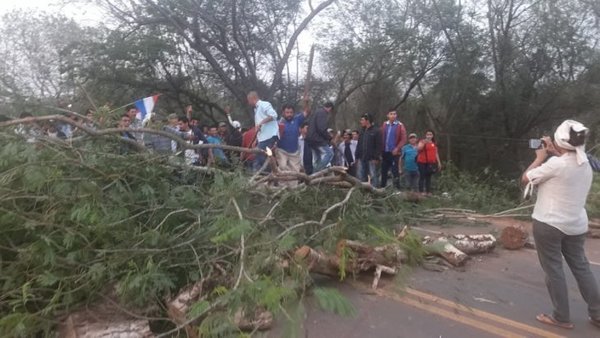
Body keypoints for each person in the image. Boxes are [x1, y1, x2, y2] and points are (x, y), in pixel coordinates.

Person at [521, 120, 600, 330]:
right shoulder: (587, 163)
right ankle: (598, 313)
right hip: (576, 224)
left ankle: (561, 316)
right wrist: (556, 152)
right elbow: (568, 162)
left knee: (554, 270)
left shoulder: (554, 164)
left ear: (558, 140)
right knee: (582, 268)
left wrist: (539, 158)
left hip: (549, 224)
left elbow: (525, 178)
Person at [247, 91, 279, 172]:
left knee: (260, 158)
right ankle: (269, 175)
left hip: (269, 136)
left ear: (252, 98)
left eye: (248, 100)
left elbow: (273, 115)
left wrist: (261, 123)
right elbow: (260, 129)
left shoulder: (264, 104)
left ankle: (266, 176)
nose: (248, 102)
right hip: (263, 138)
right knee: (263, 157)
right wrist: (256, 140)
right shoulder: (257, 110)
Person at [277, 103, 307, 186]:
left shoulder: (297, 119)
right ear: (283, 113)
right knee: (282, 167)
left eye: (291, 112)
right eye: (287, 112)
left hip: (294, 152)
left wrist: (306, 102)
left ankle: (293, 191)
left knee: (295, 171)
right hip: (281, 150)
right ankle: (282, 188)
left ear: (293, 113)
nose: (289, 114)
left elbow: (306, 112)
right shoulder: (278, 122)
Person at [380, 110, 407, 189]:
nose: (393, 115)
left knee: (395, 171)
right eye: (391, 114)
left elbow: (403, 139)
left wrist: (397, 148)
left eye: (394, 114)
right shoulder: (385, 124)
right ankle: (382, 188)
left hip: (394, 152)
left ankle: (397, 189)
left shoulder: (400, 125)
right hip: (385, 152)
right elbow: (381, 136)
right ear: (388, 115)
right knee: (383, 171)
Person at [355, 113, 383, 187]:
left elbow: (379, 146)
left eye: (362, 120)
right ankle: (361, 192)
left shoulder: (376, 131)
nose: (361, 122)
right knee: (360, 176)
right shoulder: (362, 131)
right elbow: (359, 144)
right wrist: (357, 156)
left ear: (367, 121)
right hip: (361, 158)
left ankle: (374, 192)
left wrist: (376, 157)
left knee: (373, 175)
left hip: (371, 159)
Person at [306, 102, 334, 172]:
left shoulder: (316, 112)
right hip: (317, 139)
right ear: (330, 108)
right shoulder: (322, 113)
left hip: (311, 139)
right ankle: (316, 172)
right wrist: (329, 137)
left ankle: (316, 176)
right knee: (329, 154)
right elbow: (321, 128)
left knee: (318, 158)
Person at [416, 130, 442, 195]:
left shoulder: (434, 143)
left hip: (430, 163)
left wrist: (439, 162)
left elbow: (436, 153)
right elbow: (418, 148)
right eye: (428, 134)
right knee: (422, 176)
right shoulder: (422, 141)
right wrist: (424, 143)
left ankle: (428, 191)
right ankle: (421, 191)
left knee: (428, 177)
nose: (429, 136)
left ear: (432, 136)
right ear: (426, 135)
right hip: (422, 162)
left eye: (430, 134)